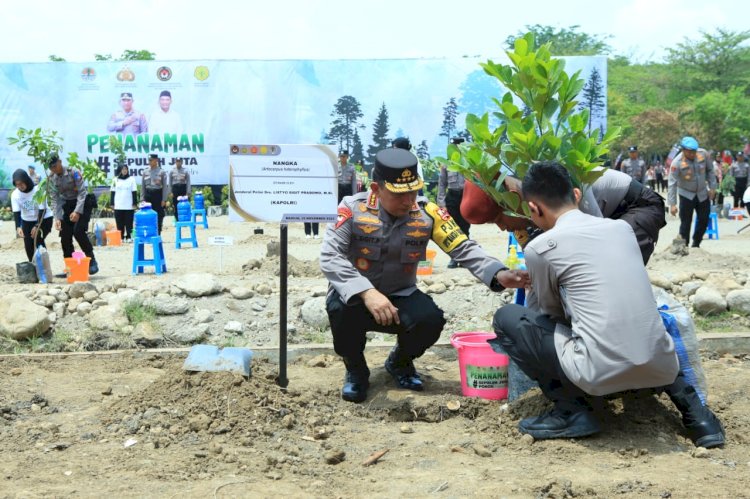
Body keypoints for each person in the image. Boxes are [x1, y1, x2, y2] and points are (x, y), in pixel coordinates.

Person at [491, 161, 724, 448]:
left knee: (508, 318)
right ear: (576, 195)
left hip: (598, 375)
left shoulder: (540, 247)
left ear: (534, 209)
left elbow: (548, 314)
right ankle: (699, 417)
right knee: (640, 323)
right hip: (661, 366)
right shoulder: (623, 230)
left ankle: (571, 411)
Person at [320, 148, 529, 403]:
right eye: (400, 194)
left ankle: (400, 362)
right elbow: (331, 257)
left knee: (430, 320)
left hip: (401, 297)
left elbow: (461, 246)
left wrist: (498, 273)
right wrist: (367, 292)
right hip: (358, 298)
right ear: (376, 188)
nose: (409, 200)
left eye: (414, 191)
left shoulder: (427, 213)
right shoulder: (352, 209)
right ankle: (355, 370)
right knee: (339, 310)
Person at [461, 168, 666, 264]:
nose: (502, 228)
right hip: (607, 214)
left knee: (617, 267)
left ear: (512, 198)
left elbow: (598, 240)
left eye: (498, 220)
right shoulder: (527, 205)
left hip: (636, 206)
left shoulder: (558, 189)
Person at [48, 154, 98, 275]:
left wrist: (77, 211)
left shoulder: (73, 172)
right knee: (65, 235)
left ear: (60, 162)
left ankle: (92, 261)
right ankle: (70, 267)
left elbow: (82, 192)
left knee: (78, 231)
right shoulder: (52, 178)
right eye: (51, 168)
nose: (54, 169)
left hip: (82, 204)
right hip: (68, 205)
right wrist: (57, 218)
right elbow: (55, 199)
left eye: (55, 166)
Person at [667, 136, 716, 248]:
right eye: (689, 152)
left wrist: (713, 187)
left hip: (702, 193)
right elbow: (672, 184)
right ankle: (684, 246)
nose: (692, 154)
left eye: (694, 151)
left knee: (704, 219)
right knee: (685, 223)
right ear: (683, 150)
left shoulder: (703, 154)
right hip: (686, 195)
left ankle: (696, 244)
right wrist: (673, 204)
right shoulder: (676, 163)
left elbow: (710, 171)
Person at [438, 138, 471, 268]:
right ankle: (454, 258)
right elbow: (442, 185)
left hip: (466, 196)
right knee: (453, 228)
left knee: (465, 227)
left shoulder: (469, 162)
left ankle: (466, 258)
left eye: (458, 146)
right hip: (452, 197)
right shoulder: (447, 164)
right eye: (453, 146)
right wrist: (442, 203)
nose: (455, 148)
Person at [11, 169, 54, 261]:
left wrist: (37, 225)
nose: (20, 186)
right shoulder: (15, 195)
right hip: (27, 220)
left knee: (37, 238)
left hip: (44, 218)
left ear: (26, 180)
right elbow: (16, 212)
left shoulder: (38, 190)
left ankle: (44, 267)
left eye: (21, 183)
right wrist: (18, 227)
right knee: (28, 244)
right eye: (17, 184)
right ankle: (33, 266)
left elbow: (42, 210)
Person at [142, 153, 168, 235]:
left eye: (151, 160)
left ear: (156, 160)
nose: (149, 162)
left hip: (158, 195)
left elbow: (165, 187)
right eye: (148, 160)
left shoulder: (162, 172)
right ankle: (149, 232)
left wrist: (164, 199)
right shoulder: (145, 171)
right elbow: (143, 186)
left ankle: (158, 231)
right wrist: (142, 199)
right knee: (147, 214)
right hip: (148, 195)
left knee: (159, 214)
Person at [110, 164, 137, 242]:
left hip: (129, 205)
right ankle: (121, 237)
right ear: (120, 170)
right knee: (119, 222)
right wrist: (112, 203)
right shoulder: (115, 180)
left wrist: (134, 203)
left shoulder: (132, 179)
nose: (125, 170)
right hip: (118, 205)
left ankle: (129, 237)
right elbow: (112, 192)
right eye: (123, 169)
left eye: (126, 169)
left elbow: (134, 191)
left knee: (129, 222)